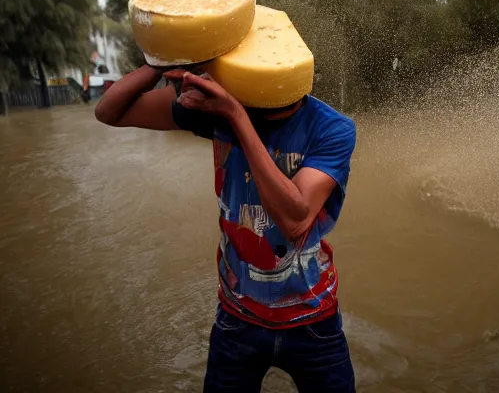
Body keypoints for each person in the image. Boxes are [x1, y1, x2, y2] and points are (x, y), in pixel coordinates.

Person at [94, 63, 357, 392]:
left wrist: (236, 116)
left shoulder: (331, 128)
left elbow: (294, 220)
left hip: (313, 319)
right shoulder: (213, 112)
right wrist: (159, 62)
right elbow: (109, 111)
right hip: (237, 319)